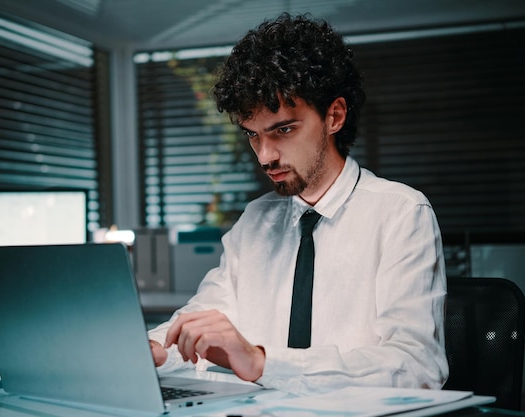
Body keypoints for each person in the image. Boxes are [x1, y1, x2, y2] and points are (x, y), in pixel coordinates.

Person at [148, 13, 448, 395]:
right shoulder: (255, 221)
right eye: (253, 136)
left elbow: (417, 366)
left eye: (283, 130)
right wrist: (155, 348)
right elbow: (205, 318)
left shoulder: (401, 214)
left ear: (334, 116)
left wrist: (260, 362)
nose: (264, 156)